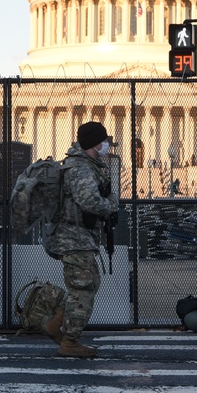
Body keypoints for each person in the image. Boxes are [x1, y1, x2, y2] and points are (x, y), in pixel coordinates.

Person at [40, 121, 120, 358]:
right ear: (96, 143)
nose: (107, 145)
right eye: (104, 141)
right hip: (73, 238)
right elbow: (90, 202)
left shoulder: (85, 166)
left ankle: (56, 326)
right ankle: (70, 341)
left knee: (88, 283)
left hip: (78, 237)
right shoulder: (81, 168)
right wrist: (113, 203)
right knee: (82, 288)